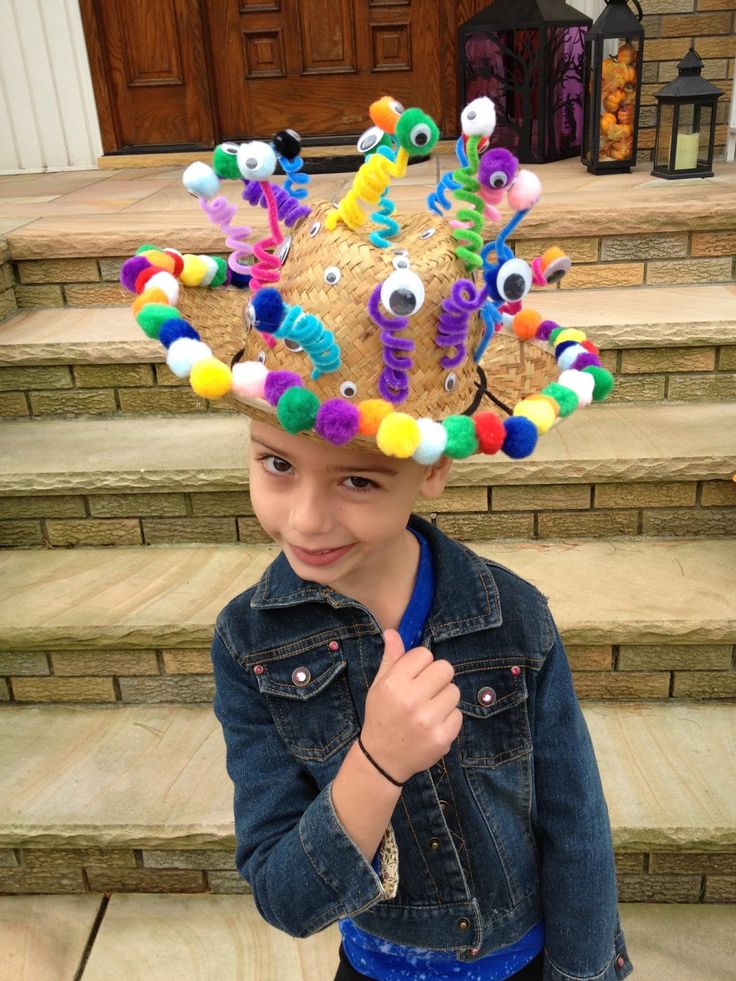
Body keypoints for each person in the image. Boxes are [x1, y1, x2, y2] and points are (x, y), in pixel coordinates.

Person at [120, 97, 632, 980]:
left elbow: (575, 824)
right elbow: (285, 895)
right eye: (276, 465)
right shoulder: (251, 643)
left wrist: (588, 972)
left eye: (358, 479)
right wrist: (376, 760)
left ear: (431, 467)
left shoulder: (513, 617)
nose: (308, 520)